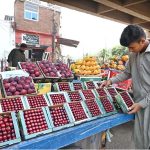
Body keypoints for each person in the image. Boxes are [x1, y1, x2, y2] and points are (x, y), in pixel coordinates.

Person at [100, 25, 150, 149]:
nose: (130, 51)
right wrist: (110, 81)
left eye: (132, 47)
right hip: (139, 103)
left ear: (142, 41)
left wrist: (143, 103)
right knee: (140, 140)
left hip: (146, 103)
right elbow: (126, 73)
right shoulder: (133, 55)